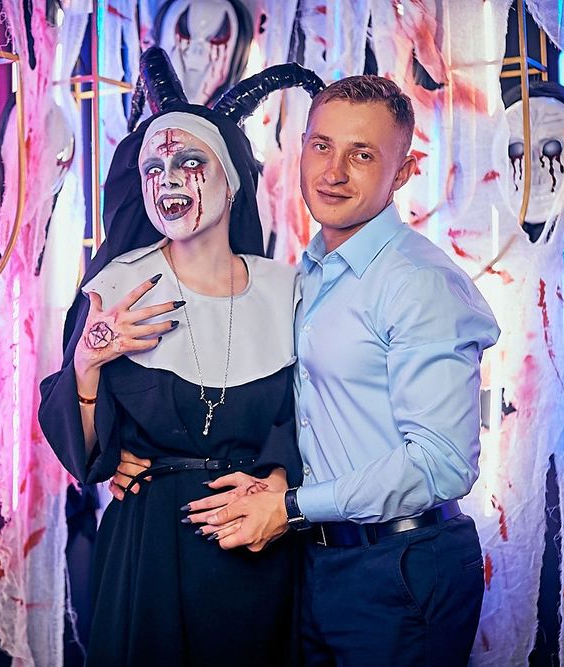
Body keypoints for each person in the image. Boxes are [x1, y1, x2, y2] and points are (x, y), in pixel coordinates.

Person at [176, 76, 499, 665]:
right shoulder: (312, 271)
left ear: (402, 174)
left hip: (403, 565)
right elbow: (311, 410)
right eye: (322, 145)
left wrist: (292, 506)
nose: (334, 172)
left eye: (363, 154)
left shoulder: (416, 282)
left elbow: (441, 463)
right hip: (322, 560)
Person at [38, 48, 322, 666]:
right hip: (149, 552)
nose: (168, 178)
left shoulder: (288, 290)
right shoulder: (115, 286)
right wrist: (87, 362)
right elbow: (85, 454)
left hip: (256, 542)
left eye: (190, 162)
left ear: (232, 180)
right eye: (154, 166)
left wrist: (279, 484)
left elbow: (308, 416)